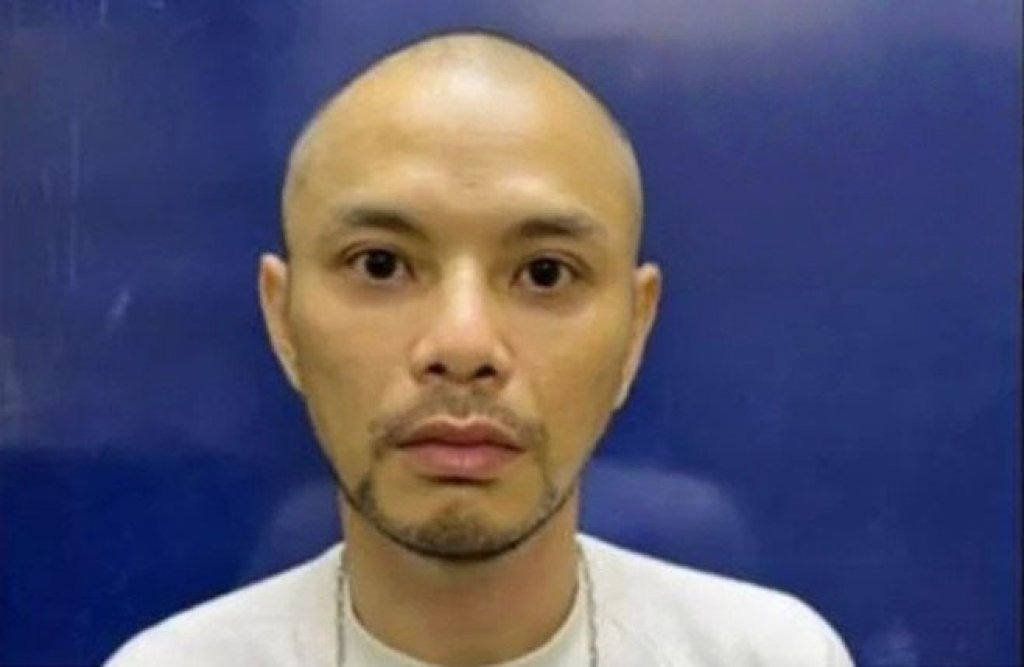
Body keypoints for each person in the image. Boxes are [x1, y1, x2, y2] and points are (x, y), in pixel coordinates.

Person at [106, 29, 854, 667]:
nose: (462, 345)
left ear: (635, 330)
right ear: (282, 319)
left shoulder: (770, 654)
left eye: (545, 273)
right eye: (381, 265)